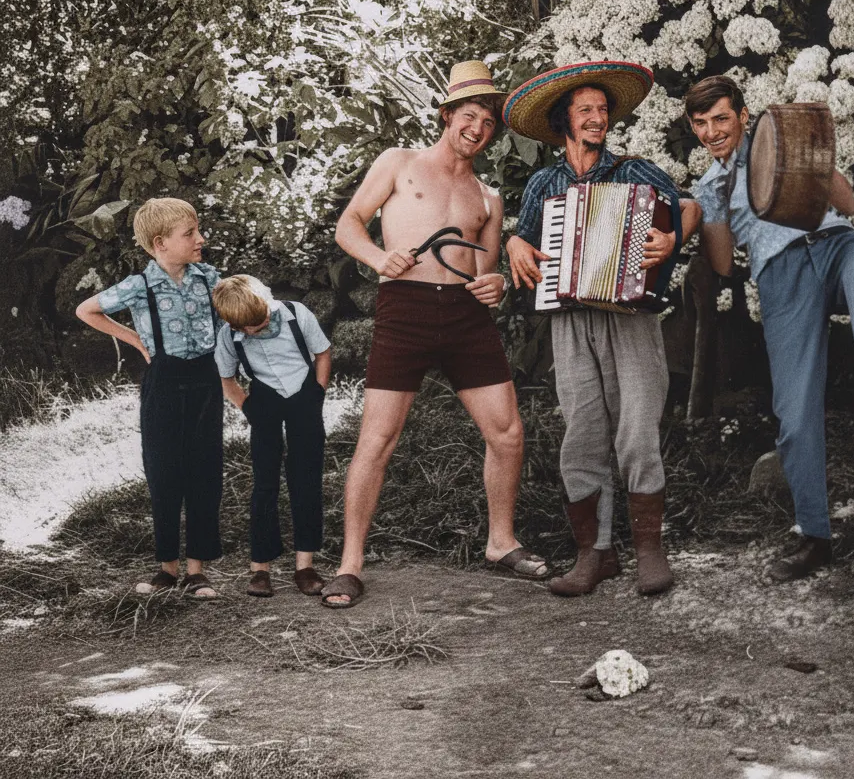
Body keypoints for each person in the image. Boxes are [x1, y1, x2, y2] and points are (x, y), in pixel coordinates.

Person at [324, 61, 540, 608]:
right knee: (378, 439)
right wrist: (378, 257)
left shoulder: (489, 197)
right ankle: (350, 564)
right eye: (469, 117)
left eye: (488, 124)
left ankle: (501, 542)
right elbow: (349, 223)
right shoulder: (400, 163)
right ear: (447, 115)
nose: (478, 130)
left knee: (507, 433)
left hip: (467, 316)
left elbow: (486, 270)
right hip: (406, 307)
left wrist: (495, 286)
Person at [686, 75, 854, 582]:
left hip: (832, 243)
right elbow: (724, 265)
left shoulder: (777, 135)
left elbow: (851, 205)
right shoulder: (708, 185)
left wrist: (810, 158)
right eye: (700, 124)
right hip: (780, 275)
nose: (712, 131)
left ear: (743, 116)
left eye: (721, 118)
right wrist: (717, 206)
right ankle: (815, 536)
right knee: (794, 410)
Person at [504, 61, 701, 596]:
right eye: (585, 110)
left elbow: (690, 205)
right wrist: (514, 244)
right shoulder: (545, 183)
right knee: (583, 433)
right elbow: (523, 240)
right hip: (569, 320)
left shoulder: (635, 171)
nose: (597, 118)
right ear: (563, 121)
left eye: (602, 110)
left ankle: (648, 552)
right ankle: (595, 554)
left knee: (636, 429)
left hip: (631, 317)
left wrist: (670, 239)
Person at [74, 198, 223, 599]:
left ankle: (197, 571)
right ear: (160, 243)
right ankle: (167, 569)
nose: (200, 239)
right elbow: (87, 310)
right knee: (163, 470)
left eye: (197, 231)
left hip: (206, 381)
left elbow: (234, 317)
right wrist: (135, 339)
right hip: (164, 382)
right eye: (189, 234)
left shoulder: (208, 278)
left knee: (204, 469)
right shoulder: (139, 286)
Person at [212, 275, 331, 599]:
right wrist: (248, 407)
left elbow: (322, 352)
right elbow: (226, 377)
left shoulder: (296, 314)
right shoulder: (229, 336)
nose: (262, 326)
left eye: (263, 318)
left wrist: (317, 392)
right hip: (263, 400)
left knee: (306, 478)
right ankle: (260, 568)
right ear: (236, 325)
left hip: (304, 396)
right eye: (253, 326)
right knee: (265, 482)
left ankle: (304, 565)